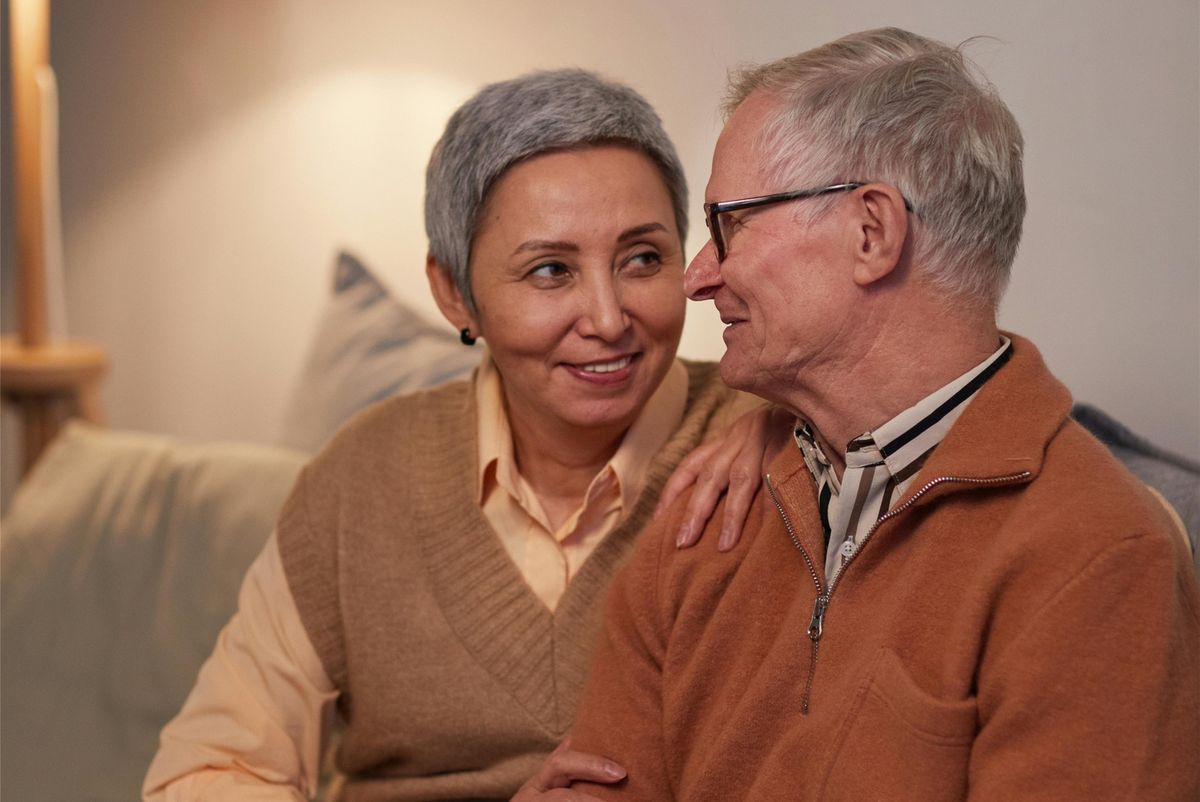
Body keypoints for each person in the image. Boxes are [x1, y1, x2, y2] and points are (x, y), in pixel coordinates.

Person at [564, 28, 1200, 801]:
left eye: (730, 223)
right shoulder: (708, 511)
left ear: (872, 232)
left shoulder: (1098, 554)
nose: (698, 276)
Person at [143, 69, 771, 801]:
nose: (606, 317)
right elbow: (206, 773)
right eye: (550, 271)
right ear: (453, 294)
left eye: (642, 259)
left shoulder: (774, 445)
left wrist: (782, 411)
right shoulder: (362, 478)